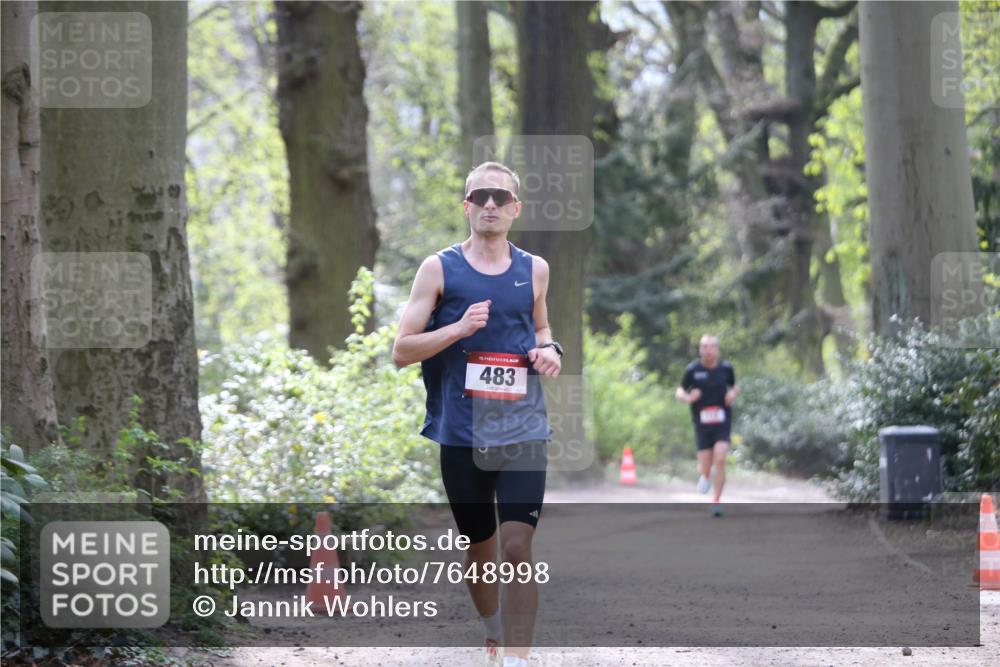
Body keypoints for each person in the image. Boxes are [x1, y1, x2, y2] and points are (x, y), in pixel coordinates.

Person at [392, 161, 562, 667]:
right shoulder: (439, 268)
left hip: (523, 426)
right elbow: (402, 350)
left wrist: (551, 351)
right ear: (467, 206)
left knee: (516, 545)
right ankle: (492, 630)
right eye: (481, 197)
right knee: (481, 546)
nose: (491, 205)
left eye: (500, 198)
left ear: (515, 209)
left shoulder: (534, 268)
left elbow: (541, 328)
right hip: (461, 430)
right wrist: (458, 329)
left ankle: (520, 656)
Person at [675, 334, 739, 517]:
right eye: (704, 347)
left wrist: (733, 393)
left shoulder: (726, 369)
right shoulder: (693, 370)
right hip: (702, 424)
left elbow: (734, 386)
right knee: (705, 464)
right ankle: (704, 475)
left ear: (717, 349)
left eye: (712, 347)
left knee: (720, 458)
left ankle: (716, 501)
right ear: (700, 349)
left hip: (722, 422)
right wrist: (687, 397)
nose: (708, 350)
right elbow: (679, 390)